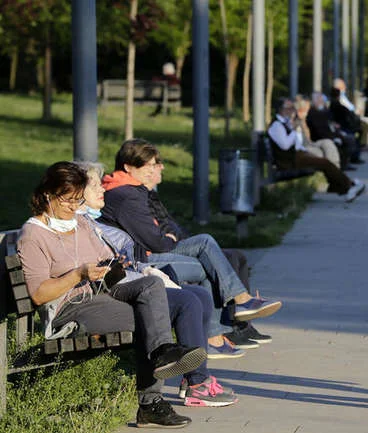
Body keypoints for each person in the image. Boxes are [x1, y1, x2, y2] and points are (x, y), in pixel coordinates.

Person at [17, 162, 207, 428]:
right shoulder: (33, 235)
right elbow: (39, 295)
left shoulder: (80, 223)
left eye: (77, 200)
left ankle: (164, 351)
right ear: (48, 194)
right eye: (67, 200)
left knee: (151, 285)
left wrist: (113, 266)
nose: (73, 207)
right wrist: (78, 274)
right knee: (147, 318)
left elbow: (103, 258)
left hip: (103, 291)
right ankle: (151, 402)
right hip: (71, 307)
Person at [99, 139, 282, 359]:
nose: (154, 169)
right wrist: (168, 239)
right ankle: (232, 313)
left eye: (153, 165)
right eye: (148, 165)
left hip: (146, 253)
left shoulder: (131, 190)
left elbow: (162, 227)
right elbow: (155, 241)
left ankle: (221, 332)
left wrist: (169, 237)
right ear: (128, 167)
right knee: (205, 245)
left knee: (215, 256)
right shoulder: (125, 195)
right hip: (141, 261)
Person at [76, 160, 239, 407]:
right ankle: (197, 384)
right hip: (110, 295)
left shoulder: (93, 221)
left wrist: (134, 266)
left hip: (128, 282)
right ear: (76, 193)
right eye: (95, 186)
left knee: (200, 295)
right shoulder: (82, 224)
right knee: (188, 301)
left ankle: (194, 379)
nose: (102, 190)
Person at [268, 98, 368, 202]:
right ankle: (349, 186)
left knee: (325, 162)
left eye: (292, 108)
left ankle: (344, 187)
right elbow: (285, 145)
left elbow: (296, 143)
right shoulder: (276, 126)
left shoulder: (285, 123)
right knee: (324, 163)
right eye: (289, 108)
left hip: (296, 155)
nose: (291, 110)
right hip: (288, 161)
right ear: (280, 109)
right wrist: (294, 131)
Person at [306, 91, 360, 169]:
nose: (322, 102)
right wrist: (334, 137)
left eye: (322, 100)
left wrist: (335, 130)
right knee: (343, 140)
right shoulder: (314, 113)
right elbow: (319, 130)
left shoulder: (324, 111)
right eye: (319, 100)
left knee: (348, 138)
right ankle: (340, 166)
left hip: (330, 134)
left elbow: (329, 123)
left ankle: (344, 163)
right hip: (321, 138)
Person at [294, 95, 342, 168]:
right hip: (305, 146)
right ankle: (333, 169)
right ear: (299, 111)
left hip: (312, 143)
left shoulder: (307, 119)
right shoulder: (296, 122)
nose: (308, 111)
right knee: (321, 153)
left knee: (328, 142)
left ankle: (335, 168)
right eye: (306, 110)